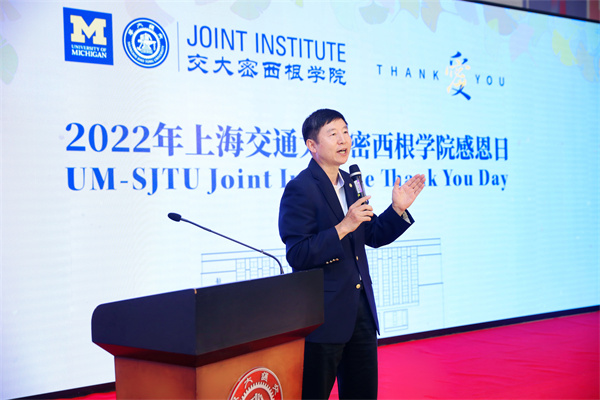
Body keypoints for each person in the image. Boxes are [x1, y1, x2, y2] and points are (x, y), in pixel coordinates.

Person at [278, 109, 426, 399]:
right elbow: (297, 254)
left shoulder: (351, 182)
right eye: (333, 134)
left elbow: (372, 235)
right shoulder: (300, 189)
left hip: (361, 312)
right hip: (322, 315)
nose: (343, 139)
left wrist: (397, 209)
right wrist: (343, 226)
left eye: (345, 132)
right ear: (312, 145)